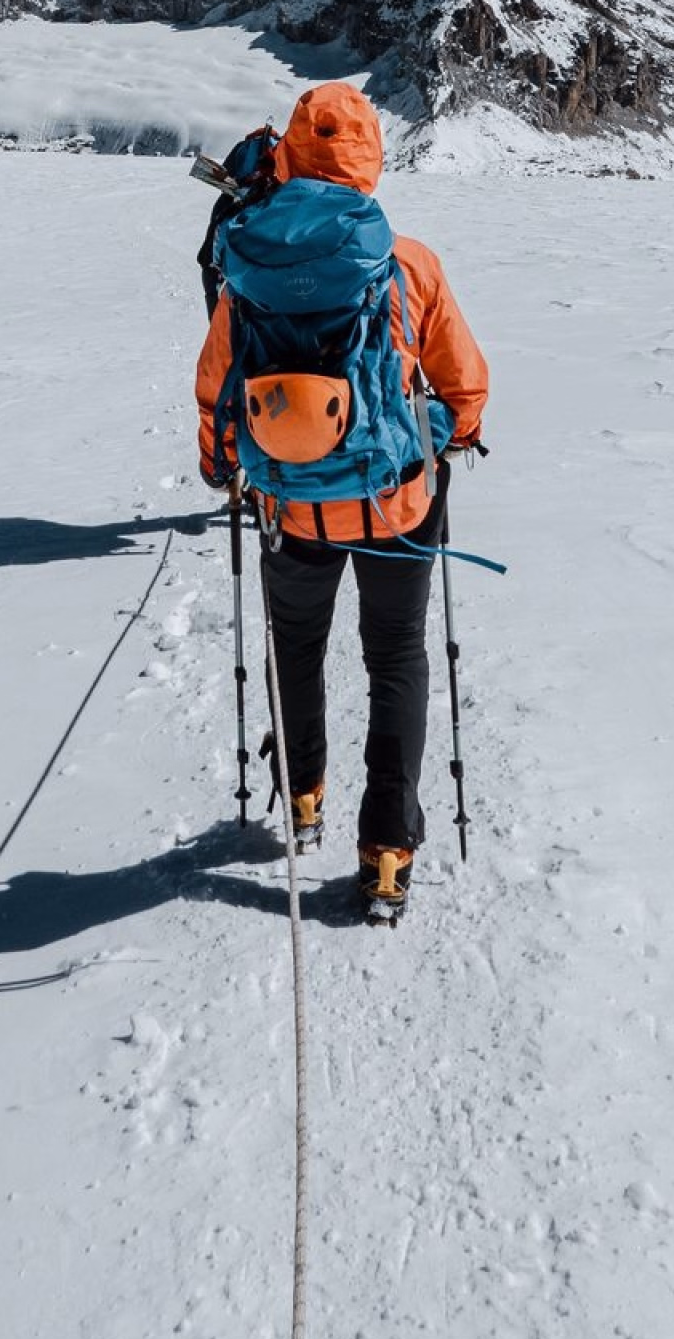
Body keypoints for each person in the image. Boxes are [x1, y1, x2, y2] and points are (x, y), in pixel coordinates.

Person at [194, 82, 489, 919]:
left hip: (292, 504)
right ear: (369, 163)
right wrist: (456, 431)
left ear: (287, 154)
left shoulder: (247, 263)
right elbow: (466, 381)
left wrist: (223, 467)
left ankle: (301, 793)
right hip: (398, 501)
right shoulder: (408, 263)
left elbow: (216, 387)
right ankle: (388, 848)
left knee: (298, 646)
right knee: (395, 656)